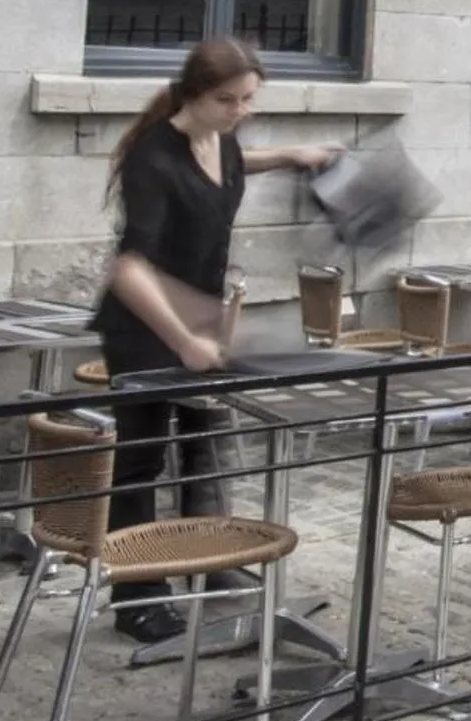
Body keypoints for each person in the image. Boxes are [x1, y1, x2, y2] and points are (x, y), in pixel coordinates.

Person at [95, 38, 335, 641]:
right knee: (142, 459)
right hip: (146, 327)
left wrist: (291, 155)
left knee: (203, 445)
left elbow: (235, 161)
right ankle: (137, 593)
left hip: (199, 318)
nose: (240, 111)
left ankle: (210, 563)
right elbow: (129, 270)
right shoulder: (152, 160)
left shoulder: (220, 137)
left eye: (249, 99)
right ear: (195, 96)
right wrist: (182, 340)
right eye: (228, 100)